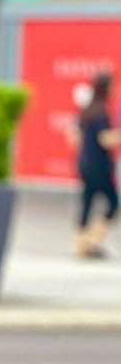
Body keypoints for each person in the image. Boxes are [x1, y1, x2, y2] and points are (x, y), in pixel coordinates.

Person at [74, 70, 121, 258]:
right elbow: (104, 139)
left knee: (88, 200)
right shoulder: (101, 112)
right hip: (98, 164)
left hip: (85, 161)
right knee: (113, 201)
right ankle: (93, 241)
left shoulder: (88, 110)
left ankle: (81, 243)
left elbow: (75, 136)